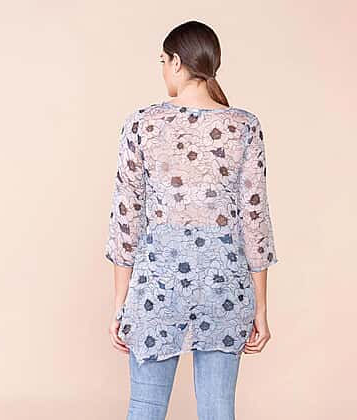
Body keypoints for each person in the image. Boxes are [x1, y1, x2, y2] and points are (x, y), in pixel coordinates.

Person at [105, 20, 279, 420]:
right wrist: (261, 308)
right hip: (225, 285)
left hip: (158, 284)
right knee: (218, 409)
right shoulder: (244, 126)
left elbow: (126, 218)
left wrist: (120, 302)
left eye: (163, 61)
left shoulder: (141, 124)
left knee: (146, 407)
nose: (163, 70)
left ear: (176, 62)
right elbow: (255, 220)